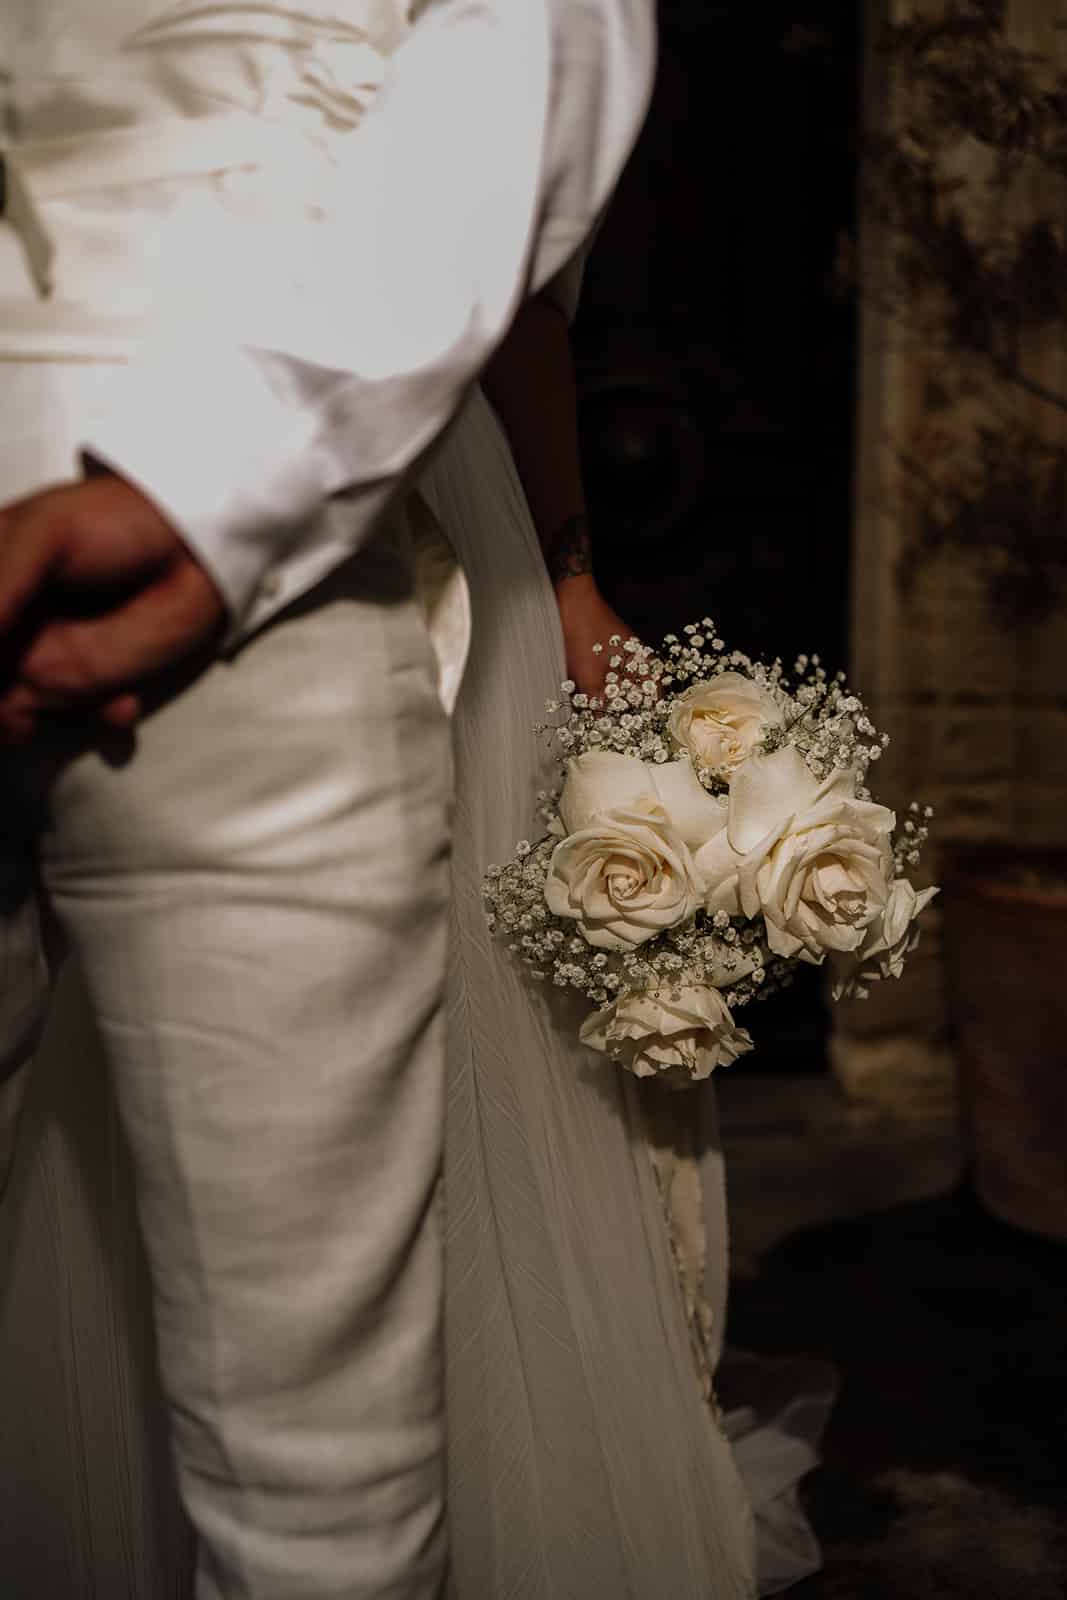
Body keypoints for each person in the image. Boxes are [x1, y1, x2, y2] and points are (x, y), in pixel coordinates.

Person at [0, 3, 655, 1595]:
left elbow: (530, 298)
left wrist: (561, 574)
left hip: (260, 525)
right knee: (313, 1482)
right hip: (243, 470)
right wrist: (221, 477)